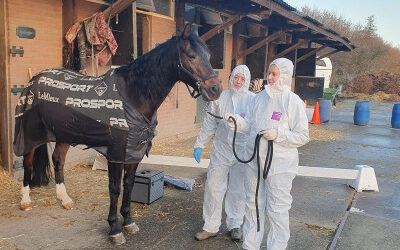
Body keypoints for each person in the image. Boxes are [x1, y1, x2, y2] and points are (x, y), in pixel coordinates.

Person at [225, 58, 309, 249]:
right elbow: (251, 126)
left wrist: (279, 134)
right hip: (254, 161)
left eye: (274, 74)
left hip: (279, 165)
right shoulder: (259, 98)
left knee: (277, 208)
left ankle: (277, 246)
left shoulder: (292, 102)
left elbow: (303, 136)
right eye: (269, 73)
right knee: (252, 204)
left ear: (285, 76)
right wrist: (237, 122)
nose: (269, 78)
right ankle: (250, 244)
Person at [193, 65, 255, 241]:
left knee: (238, 189)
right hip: (221, 149)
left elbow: (255, 125)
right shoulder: (220, 97)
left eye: (242, 79)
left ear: (247, 82)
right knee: (213, 186)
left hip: (242, 151)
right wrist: (200, 144)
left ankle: (235, 224)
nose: (238, 82)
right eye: (236, 77)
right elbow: (209, 123)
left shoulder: (253, 100)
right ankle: (210, 226)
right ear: (231, 78)